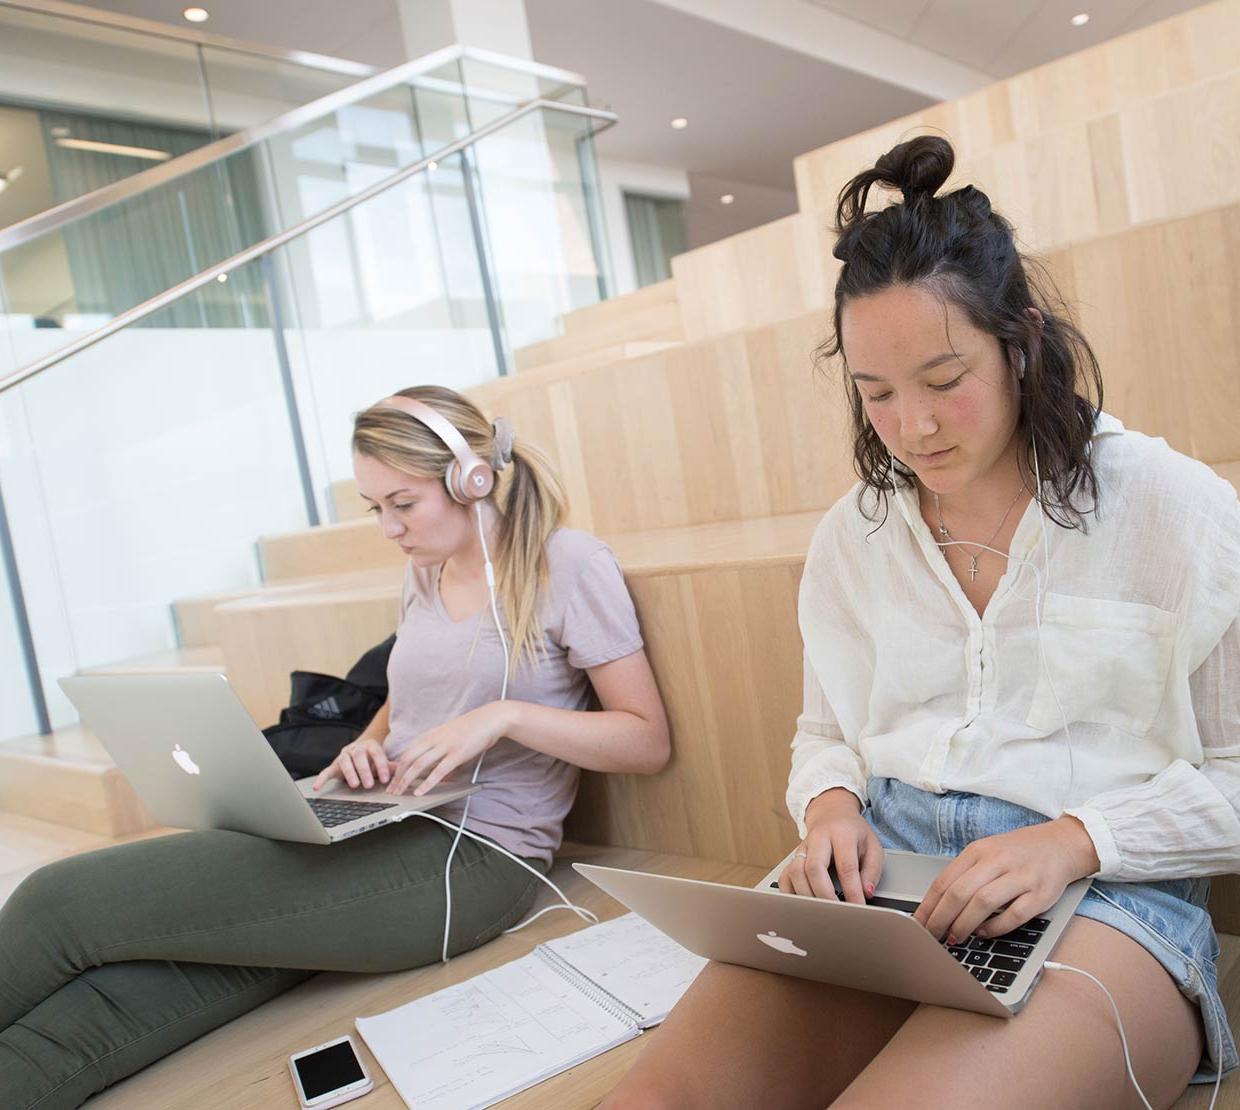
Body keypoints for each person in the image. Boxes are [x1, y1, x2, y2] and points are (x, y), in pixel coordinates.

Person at [604, 136, 1240, 1109]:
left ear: (1021, 341)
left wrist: (1073, 838)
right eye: (876, 393)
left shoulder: (1172, 508)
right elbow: (826, 734)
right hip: (886, 887)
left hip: (1104, 896)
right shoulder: (852, 537)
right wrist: (828, 808)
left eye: (944, 381)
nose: (914, 428)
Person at [0, 384, 670, 1109]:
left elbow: (645, 740)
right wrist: (365, 746)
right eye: (374, 507)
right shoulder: (427, 569)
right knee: (109, 1005)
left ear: (471, 478)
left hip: (473, 861)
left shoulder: (569, 566)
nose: (388, 527)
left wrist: (505, 716)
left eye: (402, 503)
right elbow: (404, 701)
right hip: (381, 818)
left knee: (60, 901)